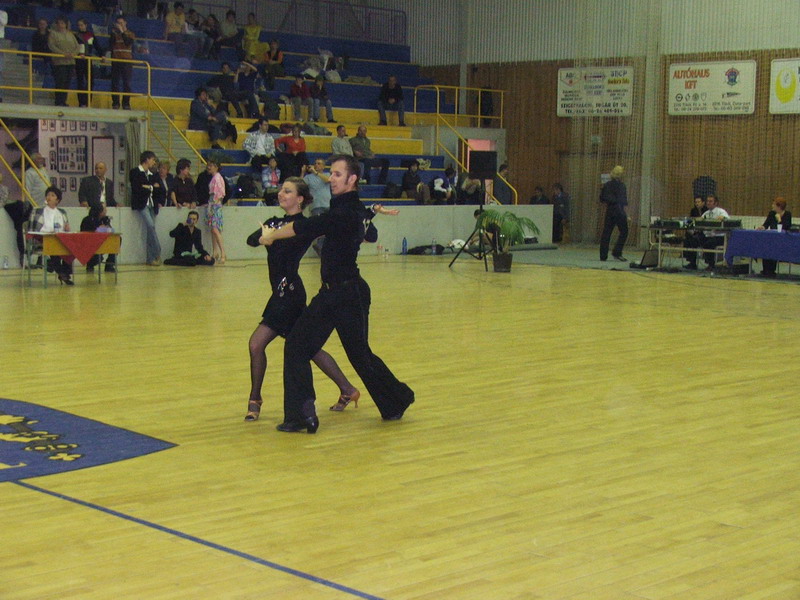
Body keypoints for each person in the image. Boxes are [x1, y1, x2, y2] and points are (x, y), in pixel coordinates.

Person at [258, 154, 415, 433]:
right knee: (297, 346)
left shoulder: (343, 212)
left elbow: (305, 226)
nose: (331, 179)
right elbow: (359, 226)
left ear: (352, 179)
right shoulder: (347, 208)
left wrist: (271, 235)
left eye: (338, 174)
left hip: (349, 294)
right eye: (331, 173)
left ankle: (396, 399)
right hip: (331, 294)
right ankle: (302, 415)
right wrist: (372, 212)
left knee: (359, 355)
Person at [244, 177, 361, 422]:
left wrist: (272, 237)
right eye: (281, 190)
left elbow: (292, 244)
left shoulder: (304, 225)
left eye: (287, 191)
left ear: (300, 199)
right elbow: (251, 239)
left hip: (290, 294)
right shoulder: (273, 222)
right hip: (279, 293)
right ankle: (348, 389)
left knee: (257, 344)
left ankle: (255, 400)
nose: (281, 194)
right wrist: (264, 237)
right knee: (309, 348)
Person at [29, 186, 73, 285]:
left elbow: (65, 229)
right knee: (54, 249)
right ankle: (62, 273)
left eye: (52, 195)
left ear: (57, 200)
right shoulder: (38, 211)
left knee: (70, 248)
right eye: (48, 195)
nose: (49, 197)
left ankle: (63, 271)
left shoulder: (62, 213)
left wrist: (67, 228)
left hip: (59, 239)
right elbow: (33, 229)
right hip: (43, 239)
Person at [129, 150, 162, 266]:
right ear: (147, 159)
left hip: (151, 204)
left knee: (150, 230)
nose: (154, 162)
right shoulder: (135, 172)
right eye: (152, 159)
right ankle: (157, 250)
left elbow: (159, 189)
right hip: (141, 204)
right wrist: (152, 187)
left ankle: (150, 258)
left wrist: (148, 187)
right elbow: (137, 188)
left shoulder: (152, 174)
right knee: (151, 226)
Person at [684, 194, 729, 270]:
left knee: (709, 244)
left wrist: (721, 218)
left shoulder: (721, 211)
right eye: (707, 201)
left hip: (719, 237)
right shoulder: (706, 213)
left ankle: (711, 265)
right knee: (691, 241)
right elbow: (698, 221)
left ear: (716, 203)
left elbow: (726, 219)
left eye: (710, 201)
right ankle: (692, 263)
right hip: (707, 236)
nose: (708, 203)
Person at [47, 15, 79, 107]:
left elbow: (77, 46)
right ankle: (58, 101)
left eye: (62, 23)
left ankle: (63, 100)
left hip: (70, 62)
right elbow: (51, 46)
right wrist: (62, 53)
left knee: (67, 82)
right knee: (60, 81)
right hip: (59, 62)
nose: (61, 25)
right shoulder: (53, 34)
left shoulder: (70, 34)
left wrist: (73, 54)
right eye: (59, 23)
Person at [599, 165, 628, 261]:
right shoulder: (622, 186)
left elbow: (602, 199)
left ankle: (603, 255)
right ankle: (617, 252)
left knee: (606, 232)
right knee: (624, 231)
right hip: (619, 211)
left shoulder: (607, 185)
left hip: (610, 210)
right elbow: (623, 200)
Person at [756, 197, 792, 277]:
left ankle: (771, 270)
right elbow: (766, 224)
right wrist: (762, 227)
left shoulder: (787, 214)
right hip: (772, 238)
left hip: (783, 239)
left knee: (774, 248)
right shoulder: (771, 213)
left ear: (779, 206)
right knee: (766, 246)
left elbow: (787, 227)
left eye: (774, 204)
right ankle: (765, 269)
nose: (772, 206)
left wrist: (779, 220)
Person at [303, 158, 331, 255]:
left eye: (319, 163)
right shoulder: (308, 177)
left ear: (323, 166)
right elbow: (300, 185)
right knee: (320, 226)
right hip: (316, 206)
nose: (316, 165)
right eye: (315, 163)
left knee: (329, 227)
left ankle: (323, 248)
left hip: (328, 205)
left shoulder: (327, 174)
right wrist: (302, 172)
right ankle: (320, 246)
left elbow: (328, 180)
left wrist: (316, 173)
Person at [74, 18, 103, 108]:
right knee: (80, 81)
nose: (80, 27)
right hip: (79, 60)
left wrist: (102, 55)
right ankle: (81, 102)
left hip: (88, 60)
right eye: (79, 25)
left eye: (82, 25)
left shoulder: (90, 35)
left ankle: (88, 102)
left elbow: (97, 46)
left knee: (90, 81)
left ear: (86, 25)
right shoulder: (75, 35)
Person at [109, 16, 135, 110]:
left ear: (125, 23)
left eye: (121, 23)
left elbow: (128, 43)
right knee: (115, 83)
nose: (119, 25)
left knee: (127, 83)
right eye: (118, 23)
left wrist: (122, 31)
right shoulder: (114, 34)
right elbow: (111, 45)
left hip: (127, 61)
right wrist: (114, 33)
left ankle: (126, 103)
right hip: (116, 60)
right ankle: (115, 103)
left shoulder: (130, 33)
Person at [80, 204, 114, 273]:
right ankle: (90, 264)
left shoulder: (104, 219)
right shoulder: (87, 220)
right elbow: (92, 232)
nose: (106, 210)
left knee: (116, 240)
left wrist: (105, 228)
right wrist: (101, 229)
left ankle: (109, 264)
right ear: (99, 211)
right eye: (104, 209)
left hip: (101, 242)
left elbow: (111, 230)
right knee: (97, 258)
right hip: (89, 245)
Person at [205, 159, 226, 264]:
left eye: (212, 165)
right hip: (212, 204)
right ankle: (215, 252)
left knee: (215, 229)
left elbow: (220, 194)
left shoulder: (217, 178)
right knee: (213, 230)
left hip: (215, 205)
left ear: (216, 167)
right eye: (208, 165)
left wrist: (213, 205)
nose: (209, 167)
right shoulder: (215, 178)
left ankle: (223, 253)